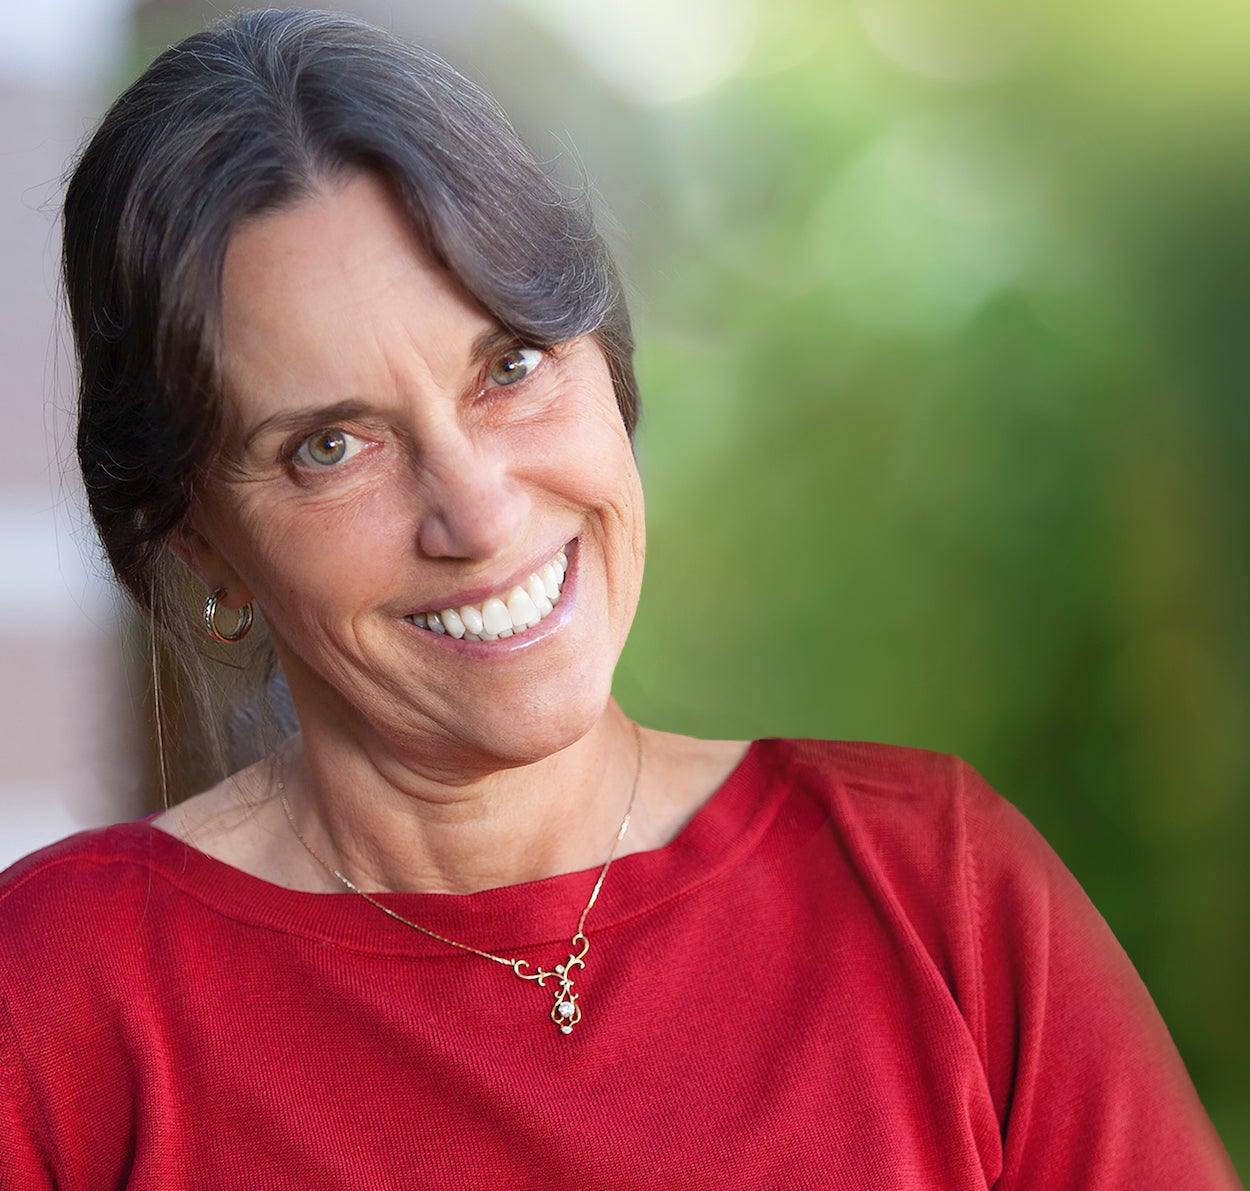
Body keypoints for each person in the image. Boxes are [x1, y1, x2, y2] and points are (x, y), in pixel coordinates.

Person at [0, 9, 1239, 1189]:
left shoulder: (935, 892)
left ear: (606, 361)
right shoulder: (55, 1008)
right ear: (201, 538)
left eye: (510, 365)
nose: (476, 513)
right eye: (332, 445)